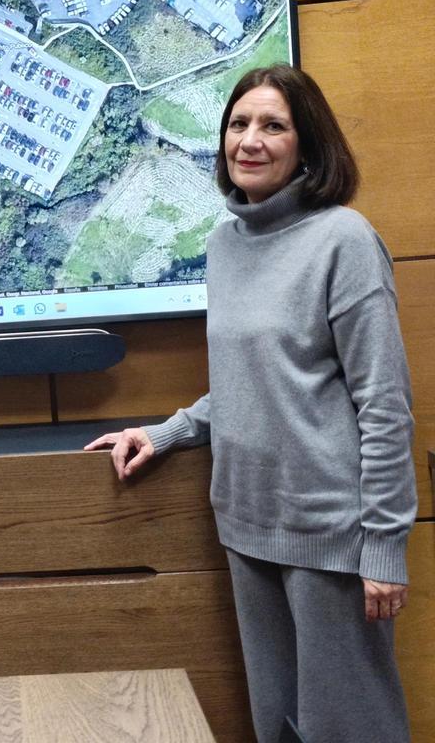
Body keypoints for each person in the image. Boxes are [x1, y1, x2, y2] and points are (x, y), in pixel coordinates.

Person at [86, 64, 415, 743]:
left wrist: (383, 545)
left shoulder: (344, 241)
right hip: (245, 522)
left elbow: (384, 406)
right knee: (280, 727)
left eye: (273, 125)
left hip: (328, 533)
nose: (250, 140)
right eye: (239, 124)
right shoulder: (223, 245)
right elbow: (252, 375)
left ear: (308, 145)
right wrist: (171, 431)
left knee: (349, 729)